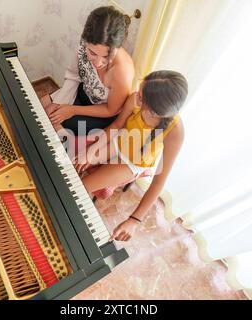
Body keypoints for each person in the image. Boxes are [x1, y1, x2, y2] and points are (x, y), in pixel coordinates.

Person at [73, 70, 188, 242]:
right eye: (141, 90)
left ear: (158, 112)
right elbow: (117, 125)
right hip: (118, 141)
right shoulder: (136, 97)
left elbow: (158, 181)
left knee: (80, 188)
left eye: (142, 98)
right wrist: (91, 152)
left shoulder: (175, 131)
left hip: (132, 163)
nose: (137, 97)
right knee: (74, 162)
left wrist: (134, 220)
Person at [41, 6, 135, 136]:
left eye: (106, 57)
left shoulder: (122, 72)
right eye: (92, 53)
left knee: (53, 124)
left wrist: (72, 110)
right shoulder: (84, 43)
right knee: (42, 107)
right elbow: (74, 75)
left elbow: (111, 110)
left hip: (102, 112)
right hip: (83, 92)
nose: (98, 63)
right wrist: (59, 102)